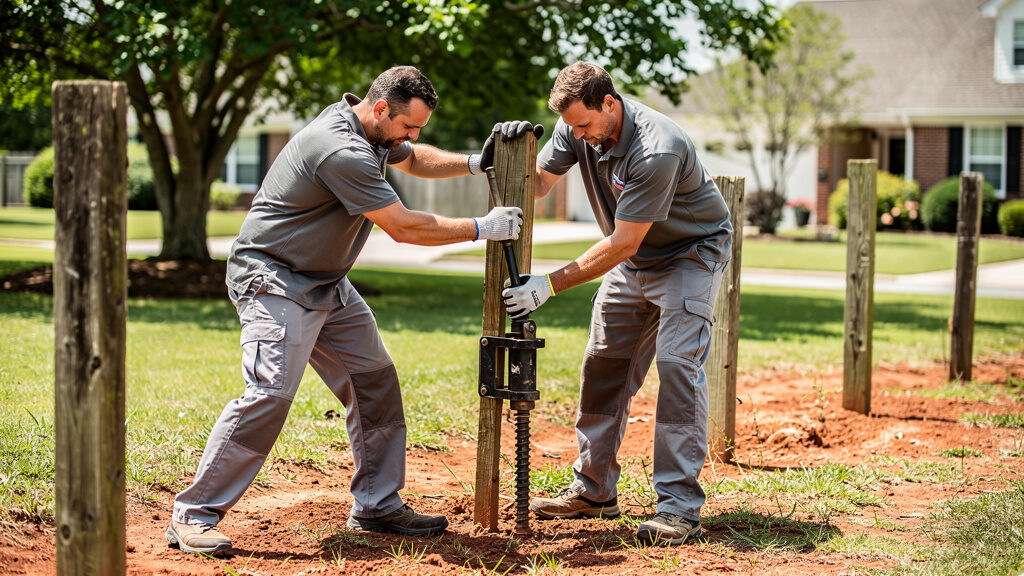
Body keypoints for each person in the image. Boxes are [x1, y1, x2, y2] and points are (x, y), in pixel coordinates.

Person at [167, 65, 531, 555]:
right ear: (380, 109)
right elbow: (403, 226)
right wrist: (481, 227)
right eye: (408, 125)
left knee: (374, 382)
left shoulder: (373, 131)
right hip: (274, 278)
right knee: (270, 391)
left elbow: (413, 159)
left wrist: (471, 162)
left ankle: (377, 505)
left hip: (326, 282)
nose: (411, 135)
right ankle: (193, 514)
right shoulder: (340, 149)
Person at [501, 62, 732, 546]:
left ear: (610, 103)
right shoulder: (577, 128)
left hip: (689, 254)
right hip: (634, 259)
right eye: (570, 126)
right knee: (603, 363)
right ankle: (595, 490)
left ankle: (678, 509)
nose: (577, 135)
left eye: (584, 124)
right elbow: (538, 182)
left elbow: (624, 241)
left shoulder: (656, 147)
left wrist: (549, 284)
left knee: (677, 365)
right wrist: (507, 154)